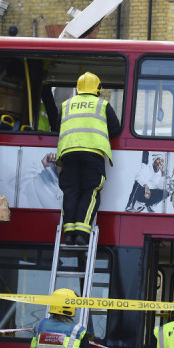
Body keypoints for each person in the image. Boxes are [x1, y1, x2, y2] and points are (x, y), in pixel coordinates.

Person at [57, 72, 122, 245]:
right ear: (98, 88)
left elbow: (58, 127)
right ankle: (82, 233)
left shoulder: (66, 105)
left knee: (70, 191)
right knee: (90, 191)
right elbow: (115, 129)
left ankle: (68, 234)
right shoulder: (102, 105)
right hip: (92, 153)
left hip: (68, 152)